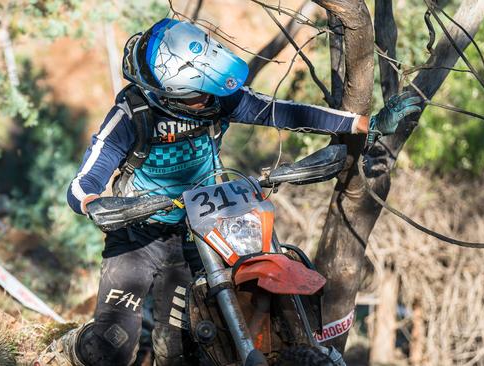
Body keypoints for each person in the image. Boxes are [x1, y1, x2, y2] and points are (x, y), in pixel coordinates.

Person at [34, 18, 421, 366]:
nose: (211, 100)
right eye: (200, 94)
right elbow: (82, 182)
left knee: (184, 349)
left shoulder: (221, 99)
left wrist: (364, 124)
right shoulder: (133, 113)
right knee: (112, 347)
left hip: (197, 234)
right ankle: (65, 349)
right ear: (167, 93)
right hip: (137, 237)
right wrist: (95, 204)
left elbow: (283, 112)